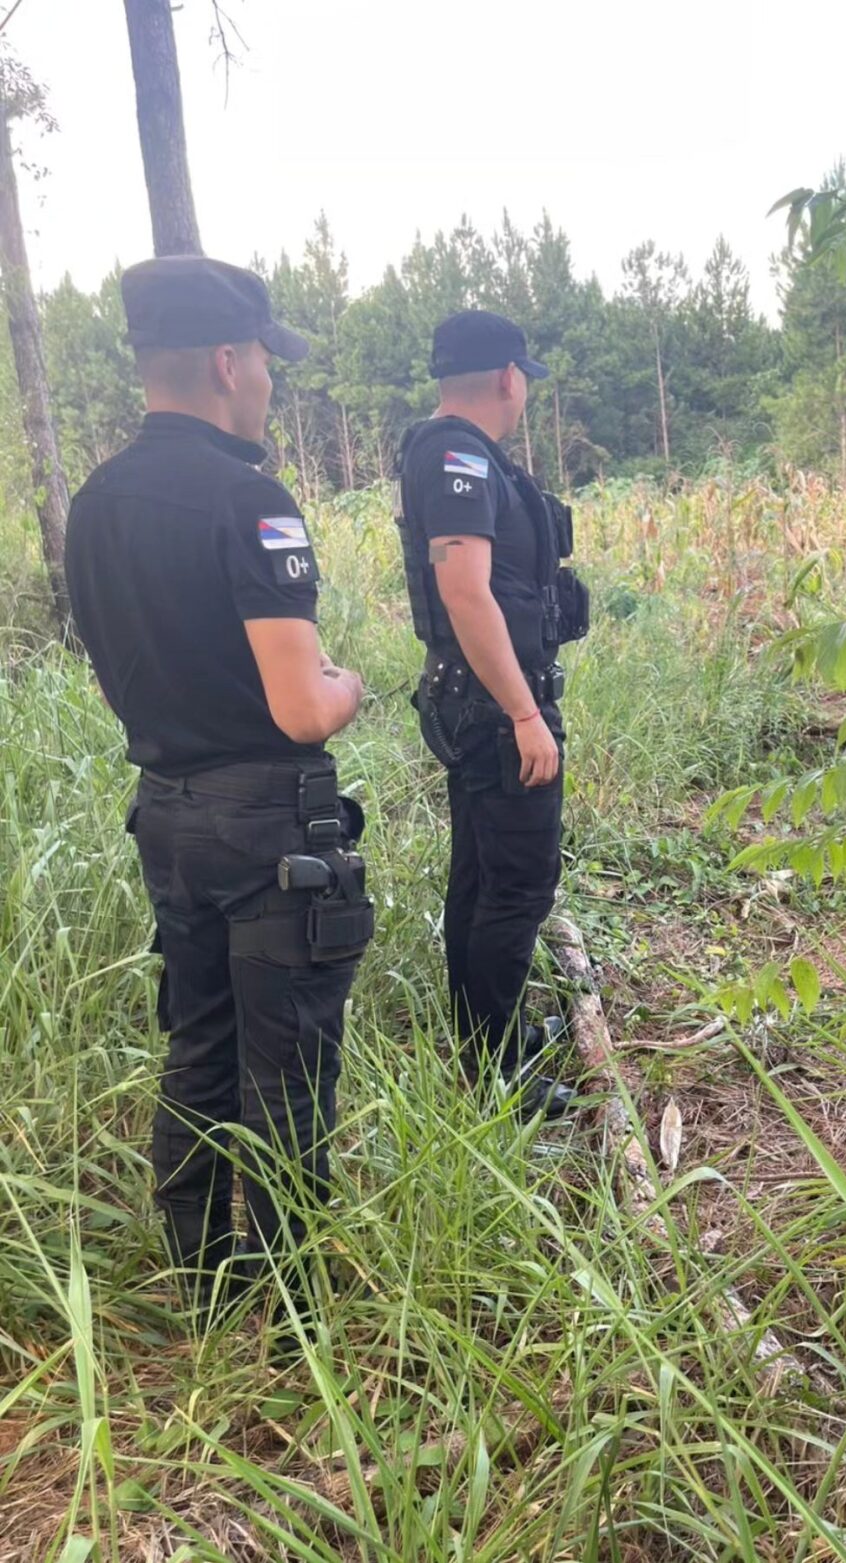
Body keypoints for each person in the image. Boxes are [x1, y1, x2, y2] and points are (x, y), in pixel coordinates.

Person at [65, 256, 373, 1313]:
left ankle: (207, 1285)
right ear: (228, 360)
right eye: (266, 367)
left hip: (167, 812)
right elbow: (301, 705)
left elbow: (119, 670)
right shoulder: (251, 499)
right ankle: (294, 1316)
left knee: (197, 1045)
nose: (270, 388)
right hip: (268, 821)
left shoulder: (96, 504)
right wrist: (351, 683)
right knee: (287, 1068)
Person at [394, 310, 590, 1117]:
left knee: (479, 874)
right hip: (492, 706)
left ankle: (485, 1048)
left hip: (475, 700)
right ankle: (498, 1074)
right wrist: (523, 713)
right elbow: (464, 590)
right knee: (517, 881)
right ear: (510, 377)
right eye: (523, 381)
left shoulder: (451, 453)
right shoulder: (455, 457)